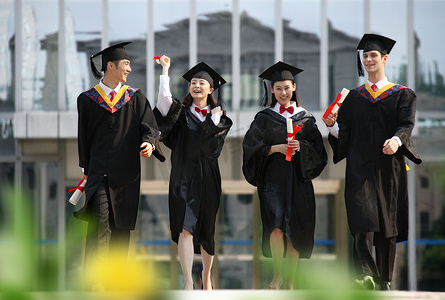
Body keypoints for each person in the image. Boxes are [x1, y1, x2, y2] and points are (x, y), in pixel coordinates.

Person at [322, 33, 422, 290]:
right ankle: (366, 275)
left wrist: (397, 141)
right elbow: (344, 135)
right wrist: (332, 127)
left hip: (390, 168)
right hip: (360, 168)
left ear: (384, 59)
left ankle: (384, 280)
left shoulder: (402, 95)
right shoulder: (353, 98)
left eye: (372, 55)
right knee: (361, 221)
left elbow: (406, 125)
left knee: (387, 224)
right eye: (364, 55)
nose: (367, 59)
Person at [75, 42, 165, 289]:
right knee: (100, 224)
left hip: (126, 176)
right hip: (98, 174)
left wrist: (149, 143)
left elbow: (149, 128)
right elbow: (84, 137)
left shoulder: (135, 98)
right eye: (126, 64)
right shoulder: (87, 99)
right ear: (110, 66)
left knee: (121, 227)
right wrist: (86, 169)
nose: (130, 69)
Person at [242, 61, 327, 289]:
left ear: (294, 88)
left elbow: (319, 151)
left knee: (295, 230)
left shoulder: (306, 118)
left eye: (287, 87)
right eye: (278, 88)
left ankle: (289, 281)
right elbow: (250, 147)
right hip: (273, 180)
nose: (283, 92)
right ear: (271, 90)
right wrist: (274, 149)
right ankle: (277, 277)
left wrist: (302, 146)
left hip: (298, 180)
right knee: (277, 226)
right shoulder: (264, 118)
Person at [153, 56, 232, 290]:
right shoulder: (180, 113)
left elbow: (214, 150)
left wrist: (215, 120)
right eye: (193, 82)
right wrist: (165, 72)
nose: (196, 86)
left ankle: (206, 276)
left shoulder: (220, 118)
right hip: (182, 176)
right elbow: (163, 104)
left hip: (208, 176)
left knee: (206, 230)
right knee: (184, 227)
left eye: (201, 83)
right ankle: (188, 280)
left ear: (210, 88)